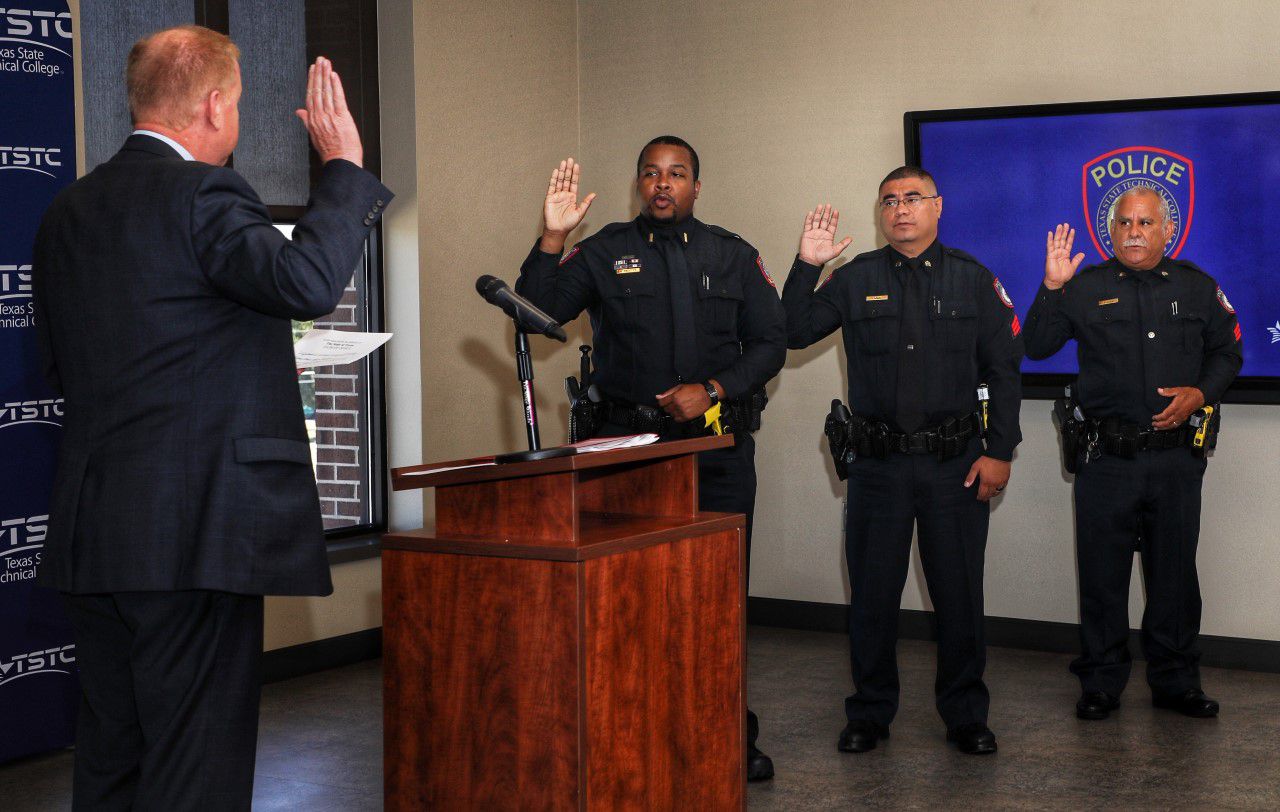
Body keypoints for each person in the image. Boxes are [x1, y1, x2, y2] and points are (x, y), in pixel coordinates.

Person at [32, 26, 390, 809]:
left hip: (97, 535)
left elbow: (68, 362)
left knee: (113, 761)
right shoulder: (206, 191)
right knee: (195, 767)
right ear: (215, 103)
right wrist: (343, 169)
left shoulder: (68, 211)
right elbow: (303, 283)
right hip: (195, 535)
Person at [515, 137, 786, 781]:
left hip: (714, 451)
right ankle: (630, 724)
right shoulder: (606, 250)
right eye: (651, 174)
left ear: (697, 185)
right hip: (626, 457)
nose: (663, 185)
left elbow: (771, 342)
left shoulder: (733, 254)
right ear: (639, 184)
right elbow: (536, 312)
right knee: (628, 599)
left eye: (677, 174)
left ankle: (725, 728)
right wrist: (552, 239)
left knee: (717, 597)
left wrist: (715, 389)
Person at [781, 167, 1022, 755]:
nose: (900, 209)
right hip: (878, 467)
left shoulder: (972, 279)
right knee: (872, 596)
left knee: (960, 597)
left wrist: (999, 452)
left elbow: (1005, 369)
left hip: (955, 465)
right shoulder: (855, 278)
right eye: (889, 200)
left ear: (938, 207)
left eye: (913, 198)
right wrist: (808, 266)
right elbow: (789, 331)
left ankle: (966, 714)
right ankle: (869, 712)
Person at [1024, 188, 1242, 721]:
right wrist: (1052, 286)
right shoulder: (1084, 288)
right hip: (1107, 459)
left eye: (1146, 222)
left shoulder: (1196, 287)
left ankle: (1176, 681)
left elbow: (1229, 350)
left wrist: (1201, 393)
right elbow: (1034, 345)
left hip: (1174, 462)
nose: (1135, 231)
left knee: (1174, 578)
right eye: (1124, 223)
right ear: (1111, 230)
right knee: (1102, 576)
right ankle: (1100, 682)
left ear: (1168, 230)